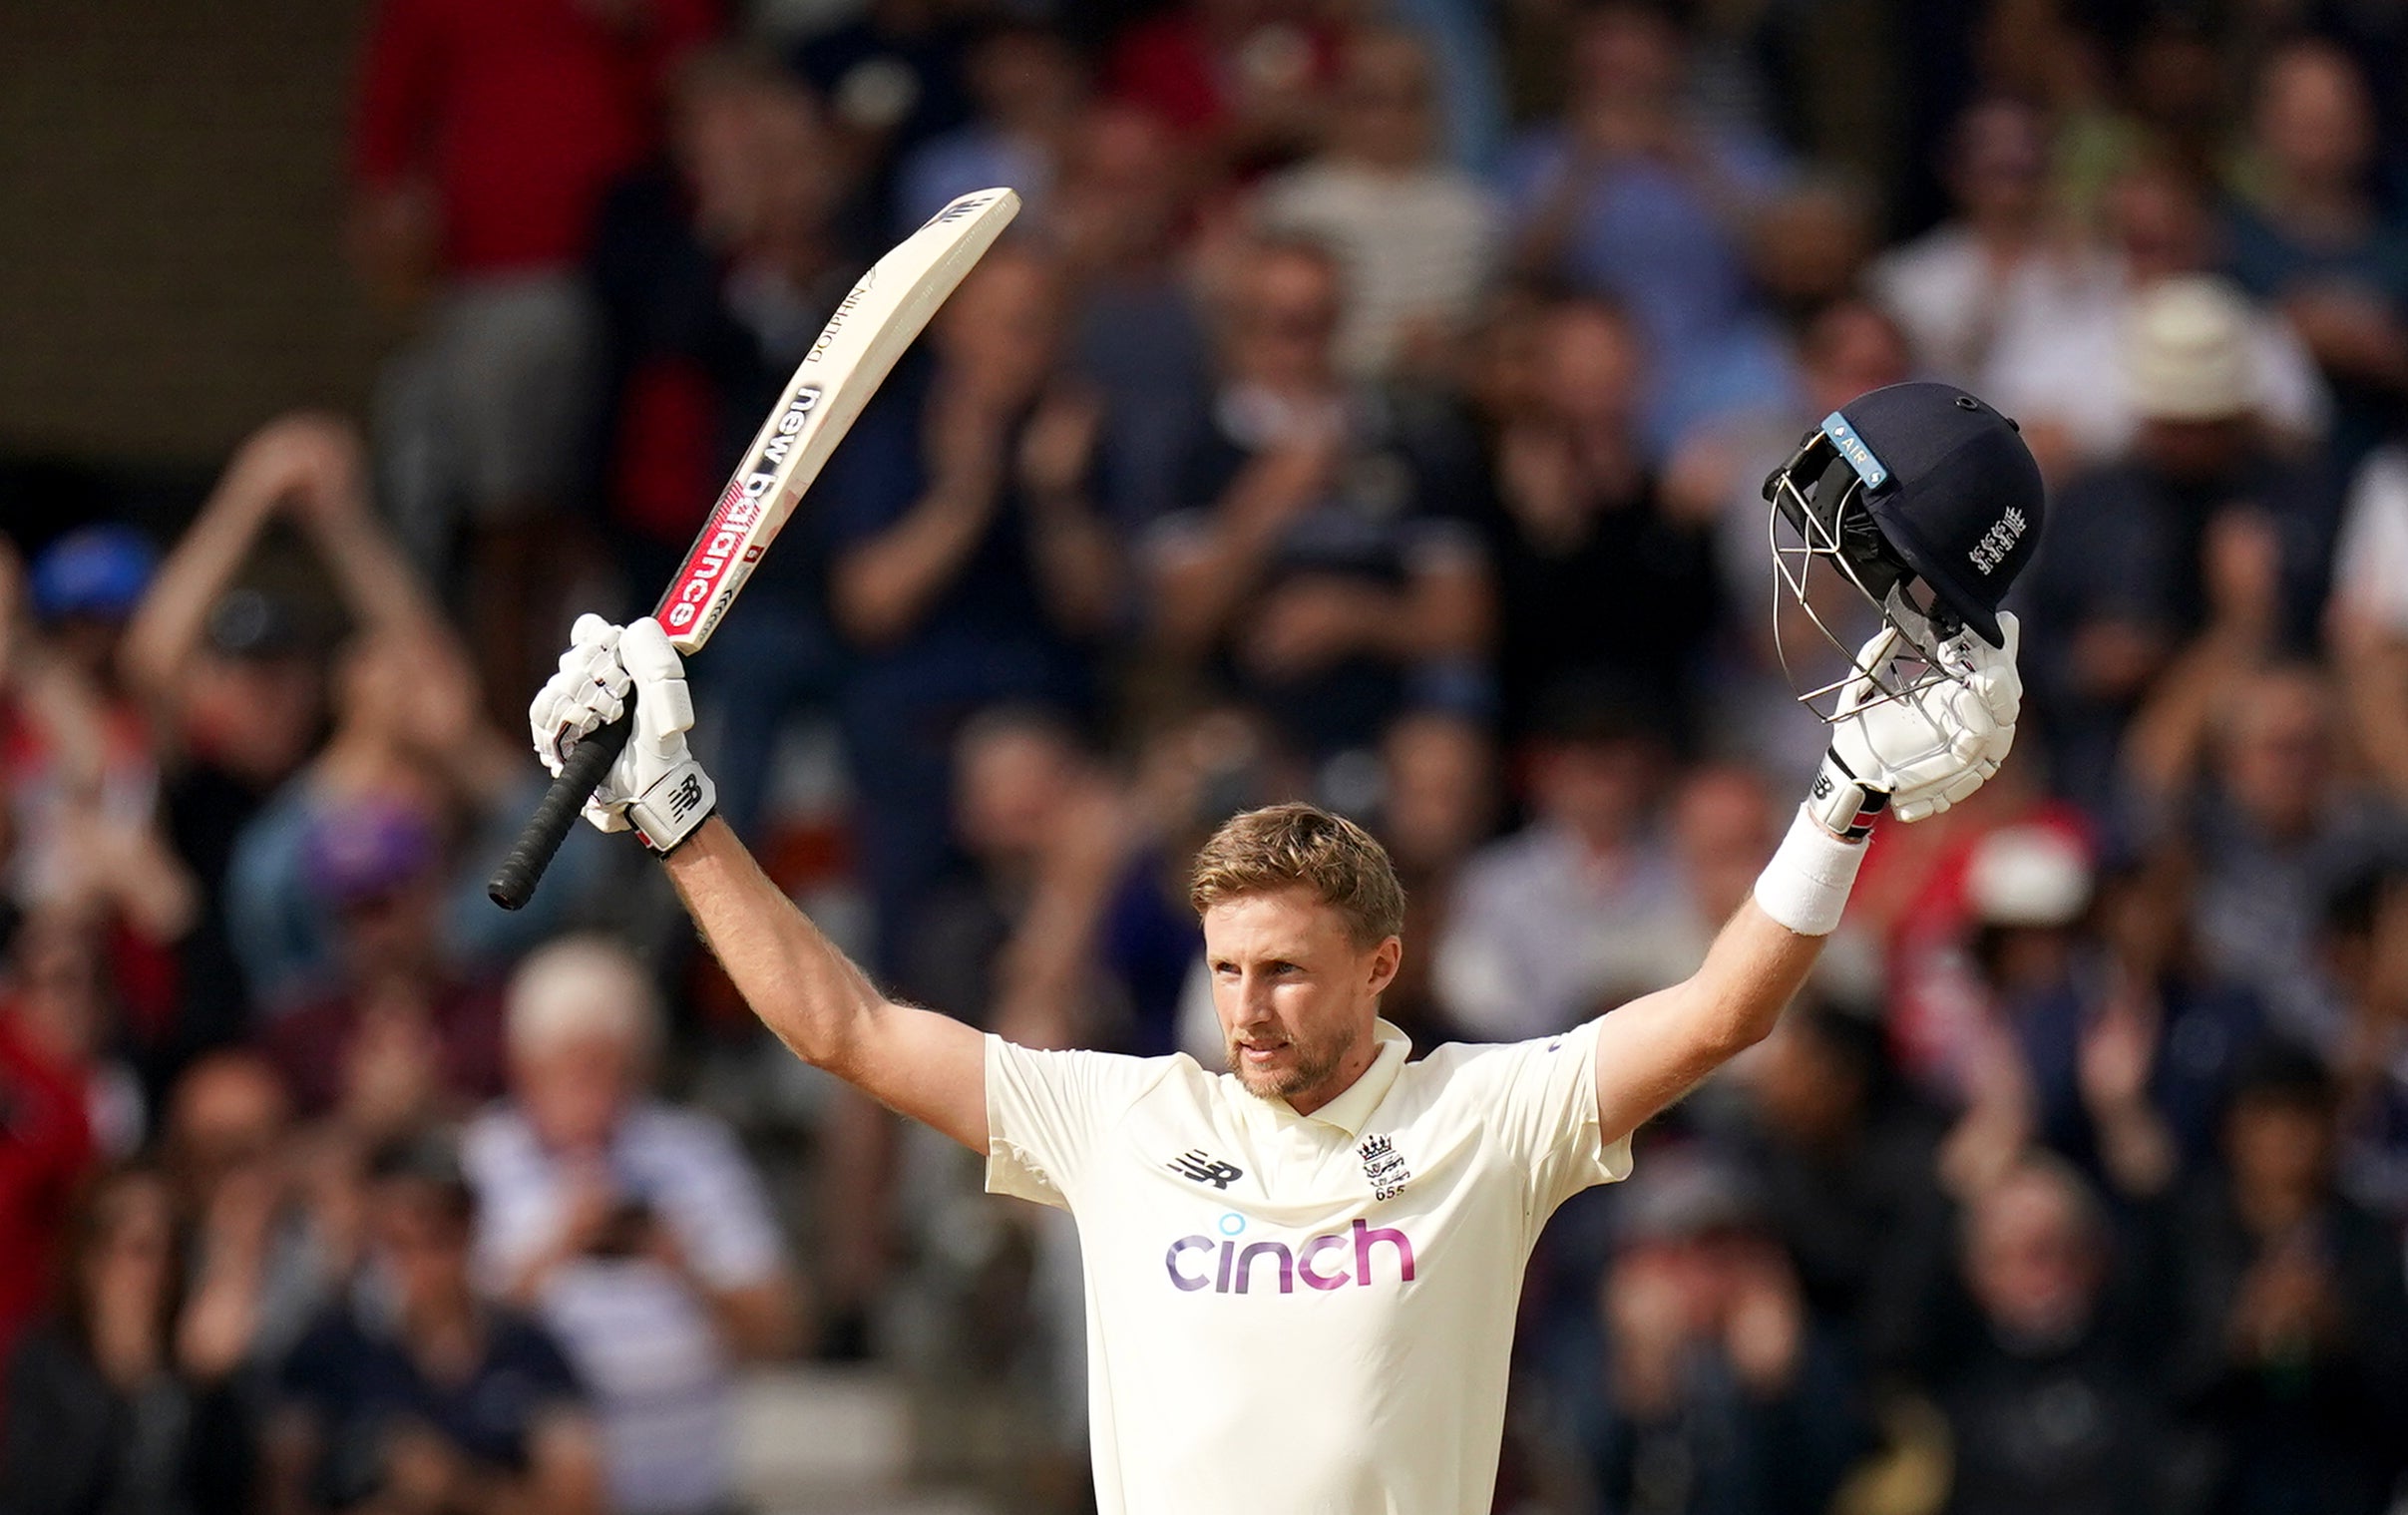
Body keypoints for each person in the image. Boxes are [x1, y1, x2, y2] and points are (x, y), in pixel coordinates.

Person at [524, 381, 2030, 1512]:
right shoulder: (1119, 1118)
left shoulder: (1483, 1118)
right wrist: (676, 814)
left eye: (1287, 969)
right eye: (1228, 966)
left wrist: (1843, 799)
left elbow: (1715, 1014)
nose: (1245, 1007)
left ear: (1381, 964)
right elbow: (841, 1027)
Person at [462, 938, 797, 1515]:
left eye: (611, 1065)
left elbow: (781, 1333)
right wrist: (556, 1247)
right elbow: (440, 1339)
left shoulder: (695, 1154)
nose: (597, 1090)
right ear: (526, 1066)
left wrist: (682, 1267)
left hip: (692, 1492)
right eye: (574, 1066)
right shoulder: (479, 1161)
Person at [267, 1139, 602, 1515]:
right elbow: (280, 1491)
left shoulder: (530, 1349)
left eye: (439, 1240)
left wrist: (460, 1487)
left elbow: (580, 1500)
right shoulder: (330, 1352)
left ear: (472, 1231)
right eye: (397, 1243)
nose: (421, 1266)